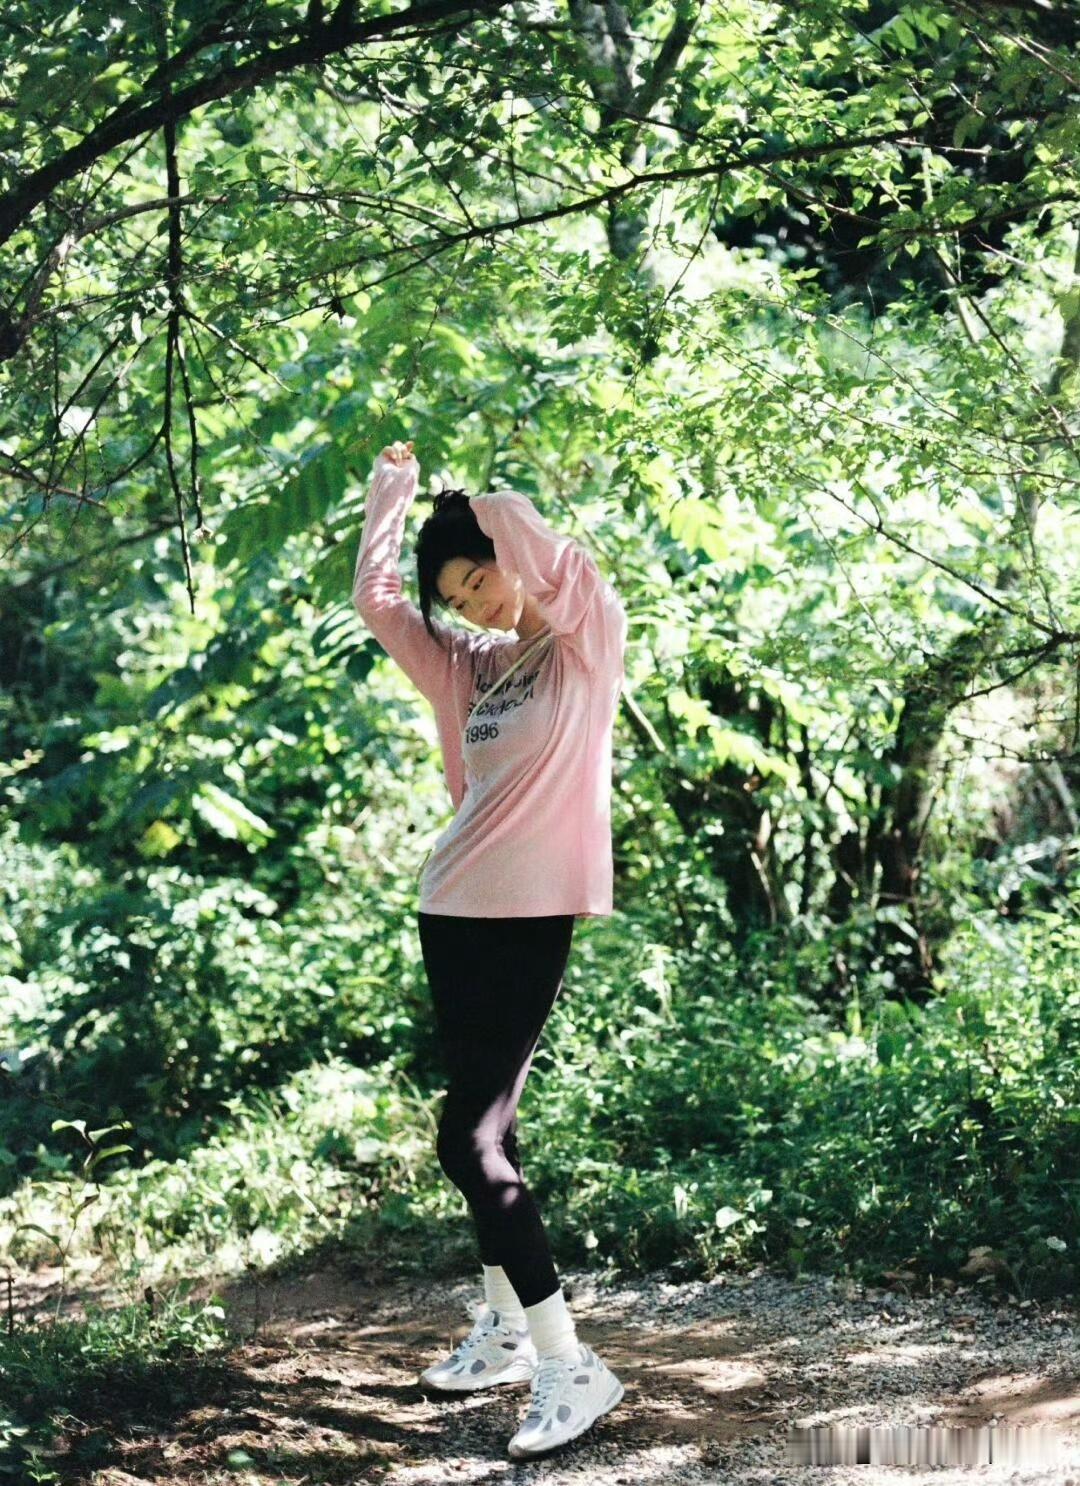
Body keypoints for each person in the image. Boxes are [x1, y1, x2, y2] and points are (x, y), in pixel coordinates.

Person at [352, 438, 628, 1460]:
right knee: (489, 1136)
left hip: (532, 913)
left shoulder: (586, 635)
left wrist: (467, 504)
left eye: (478, 579)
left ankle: (570, 1363)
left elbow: (535, 535)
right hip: (452, 906)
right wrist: (393, 494)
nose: (473, 603)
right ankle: (509, 1330)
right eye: (457, 597)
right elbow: (378, 599)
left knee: (464, 1142)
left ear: (509, 560)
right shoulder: (469, 667)